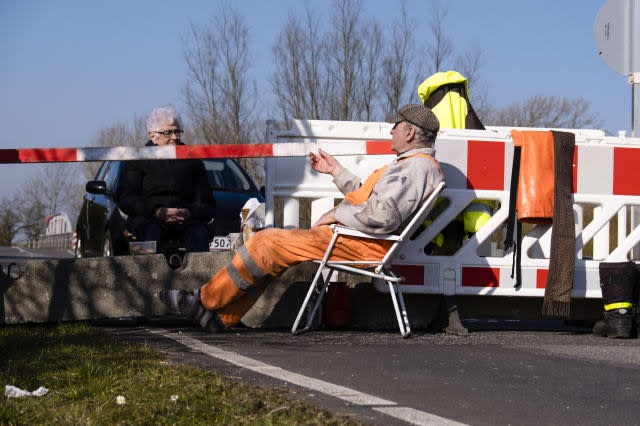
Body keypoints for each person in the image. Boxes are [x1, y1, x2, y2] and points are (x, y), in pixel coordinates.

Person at [160, 104, 444, 333]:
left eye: (396, 125)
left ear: (409, 132)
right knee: (272, 250)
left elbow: (382, 216)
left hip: (361, 244)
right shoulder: (411, 165)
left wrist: (336, 213)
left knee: (267, 242)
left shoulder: (415, 168)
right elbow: (370, 201)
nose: (391, 129)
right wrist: (335, 170)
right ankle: (220, 318)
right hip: (358, 239)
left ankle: (205, 300)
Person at [116, 105, 216, 253]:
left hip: (187, 220)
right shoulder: (138, 159)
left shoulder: (192, 160)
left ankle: (200, 276)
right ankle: (154, 276)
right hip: (149, 218)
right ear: (152, 136)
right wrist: (156, 211)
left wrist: (189, 212)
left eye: (177, 131)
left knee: (199, 234)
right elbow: (126, 199)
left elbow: (207, 204)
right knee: (151, 234)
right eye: (168, 133)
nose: (175, 137)